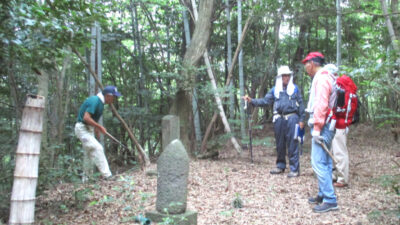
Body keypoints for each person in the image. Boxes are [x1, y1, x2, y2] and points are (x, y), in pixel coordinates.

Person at [242, 66, 305, 178]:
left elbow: (301, 105)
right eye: (284, 75)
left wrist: (301, 120)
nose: (286, 77)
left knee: (293, 143)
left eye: (288, 75)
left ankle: (294, 169)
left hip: (292, 118)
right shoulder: (274, 90)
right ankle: (280, 166)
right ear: (280, 77)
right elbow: (265, 101)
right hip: (279, 119)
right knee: (280, 143)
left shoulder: (295, 89)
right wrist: (252, 101)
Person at [302, 52, 339, 213]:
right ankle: (323, 193)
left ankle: (330, 199)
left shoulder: (323, 78)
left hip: (323, 126)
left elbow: (321, 104)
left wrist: (317, 127)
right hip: (328, 124)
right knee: (325, 161)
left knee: (318, 162)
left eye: (306, 63)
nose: (305, 67)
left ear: (312, 63)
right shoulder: (327, 76)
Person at [75, 85, 122, 180]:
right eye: (114, 96)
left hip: (89, 129)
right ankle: (107, 176)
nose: (114, 99)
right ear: (108, 96)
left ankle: (86, 179)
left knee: (88, 155)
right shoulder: (95, 101)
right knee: (98, 148)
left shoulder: (101, 104)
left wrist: (97, 130)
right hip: (82, 129)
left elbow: (93, 119)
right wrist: (100, 127)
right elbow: (86, 118)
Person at [324, 64, 350, 188]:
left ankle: (342, 178)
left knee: (339, 150)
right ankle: (336, 175)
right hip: (339, 123)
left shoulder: (339, 86)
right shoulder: (339, 85)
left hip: (339, 123)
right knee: (335, 149)